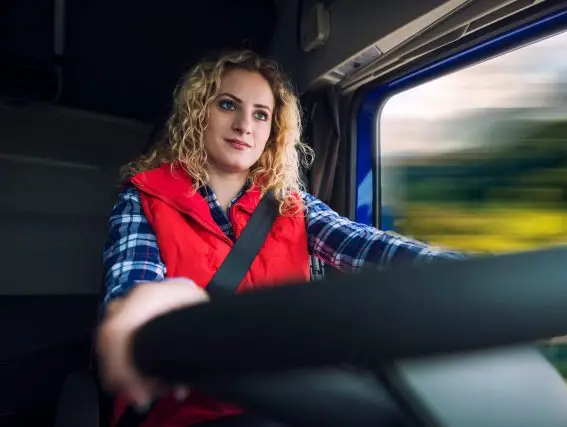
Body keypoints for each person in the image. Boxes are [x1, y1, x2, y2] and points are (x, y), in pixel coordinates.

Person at [96, 49, 466, 427]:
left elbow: (365, 246)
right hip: (190, 409)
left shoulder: (291, 204)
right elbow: (132, 285)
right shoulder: (144, 197)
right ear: (198, 114)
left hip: (298, 399)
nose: (245, 125)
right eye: (228, 105)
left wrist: (464, 275)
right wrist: (146, 310)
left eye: (261, 114)